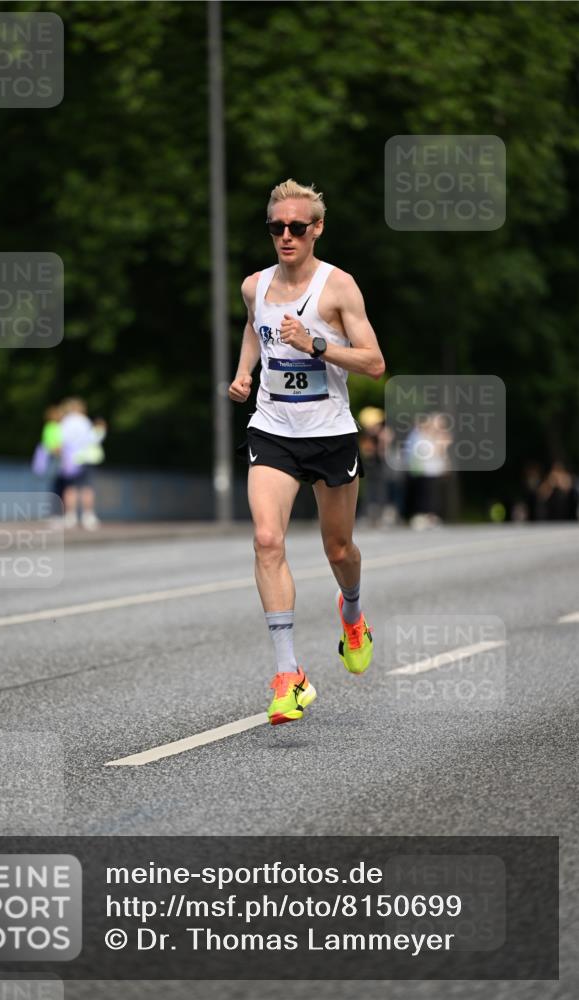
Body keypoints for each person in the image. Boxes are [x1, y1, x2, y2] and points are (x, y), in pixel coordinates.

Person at [228, 179, 385, 725]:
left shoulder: (338, 288)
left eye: (297, 227)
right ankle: (289, 675)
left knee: (339, 550)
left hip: (330, 432)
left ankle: (354, 614)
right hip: (271, 428)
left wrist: (315, 343)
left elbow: (374, 363)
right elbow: (256, 328)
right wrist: (245, 373)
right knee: (267, 540)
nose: (286, 236)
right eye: (277, 227)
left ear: (317, 228)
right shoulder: (254, 285)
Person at [59, 398, 106, 530]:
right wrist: (101, 429)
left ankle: (70, 517)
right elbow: (93, 439)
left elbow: (62, 440)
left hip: (71, 459)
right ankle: (88, 517)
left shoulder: (66, 422)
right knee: (87, 488)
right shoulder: (84, 421)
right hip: (87, 458)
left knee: (70, 489)